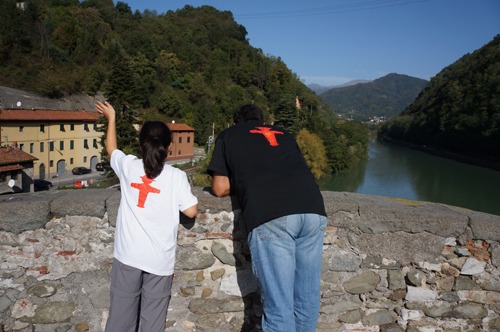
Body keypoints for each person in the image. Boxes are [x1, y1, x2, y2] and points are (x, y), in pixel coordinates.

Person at [207, 104, 327, 332]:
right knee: (306, 300)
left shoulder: (228, 135)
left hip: (271, 214)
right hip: (313, 210)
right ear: (262, 121)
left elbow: (220, 188)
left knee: (278, 307)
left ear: (237, 122)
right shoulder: (285, 134)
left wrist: (247, 181)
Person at [96, 101, 198, 332]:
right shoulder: (176, 176)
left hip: (128, 256)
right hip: (159, 262)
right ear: (169, 147)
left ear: (141, 145)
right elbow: (190, 211)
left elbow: (111, 149)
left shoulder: (129, 166)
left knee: (120, 320)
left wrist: (111, 117)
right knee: (153, 323)